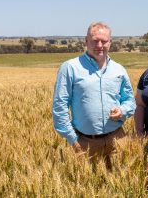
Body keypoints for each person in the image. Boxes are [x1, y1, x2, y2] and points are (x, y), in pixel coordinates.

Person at [52, 22, 136, 162]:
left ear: (110, 42)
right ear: (86, 41)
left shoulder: (119, 69)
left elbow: (130, 101)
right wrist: (73, 140)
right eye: (95, 41)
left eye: (104, 41)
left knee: (121, 181)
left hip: (118, 139)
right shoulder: (70, 68)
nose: (99, 45)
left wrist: (122, 110)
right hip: (85, 142)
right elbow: (60, 106)